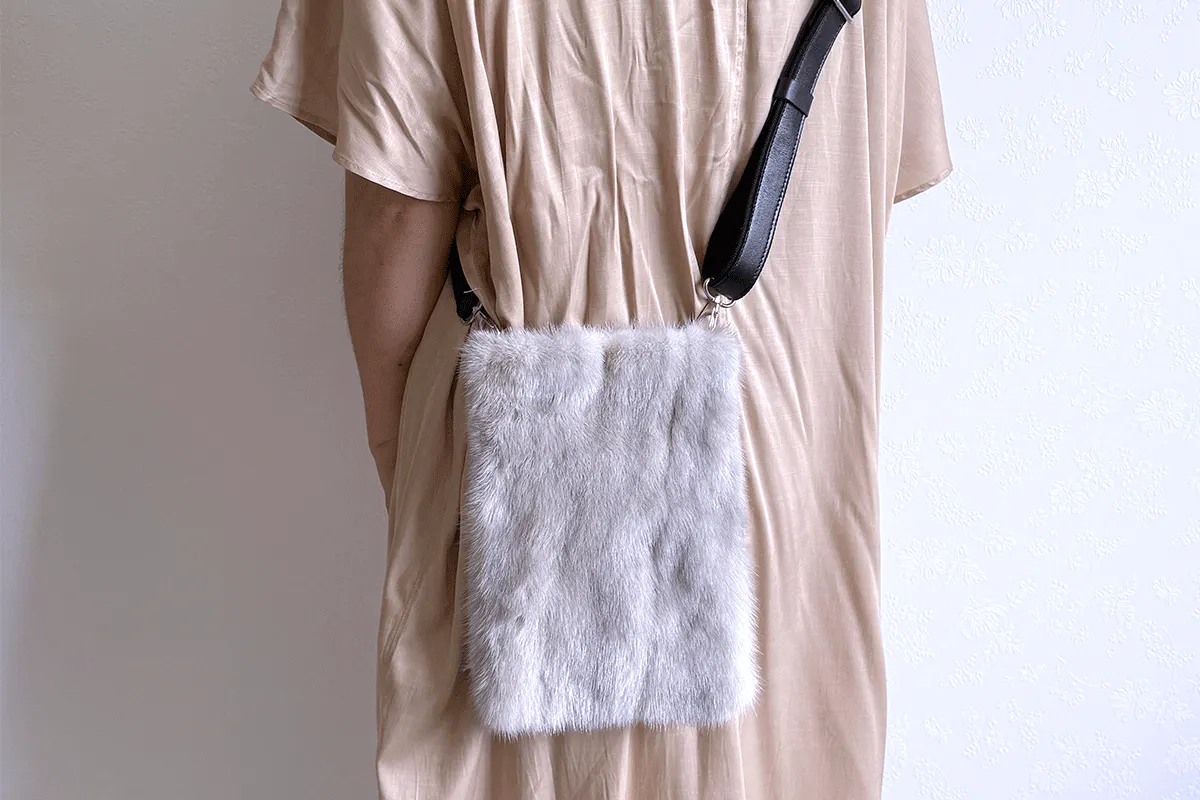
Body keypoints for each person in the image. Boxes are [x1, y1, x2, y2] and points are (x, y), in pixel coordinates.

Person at [251, 0, 951, 796]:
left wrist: (397, 453)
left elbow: (395, 221)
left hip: (521, 487)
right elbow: (869, 166)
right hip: (790, 475)